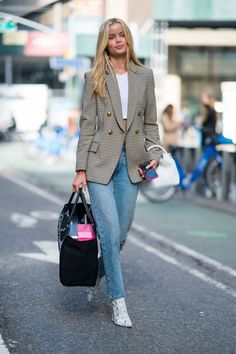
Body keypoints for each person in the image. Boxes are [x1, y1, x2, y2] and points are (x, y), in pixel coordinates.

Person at [72, 18, 162, 328]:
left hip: (133, 162)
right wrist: (80, 168)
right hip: (99, 163)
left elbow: (151, 122)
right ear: (105, 43)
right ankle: (118, 301)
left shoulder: (145, 75)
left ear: (128, 39)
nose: (118, 40)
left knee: (120, 236)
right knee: (108, 232)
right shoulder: (94, 76)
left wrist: (155, 152)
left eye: (122, 34)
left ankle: (96, 272)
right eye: (112, 36)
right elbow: (87, 125)